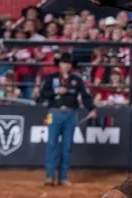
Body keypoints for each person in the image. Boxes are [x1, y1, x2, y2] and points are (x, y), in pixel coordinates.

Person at [38, 53, 96, 186]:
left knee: (67, 146)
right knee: (52, 143)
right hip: (54, 112)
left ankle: (63, 177)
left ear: (71, 66)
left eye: (68, 63)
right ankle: (50, 176)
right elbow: (42, 94)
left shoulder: (77, 80)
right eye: (64, 63)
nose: (66, 65)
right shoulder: (50, 78)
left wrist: (91, 109)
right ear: (59, 65)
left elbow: (85, 96)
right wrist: (55, 92)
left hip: (71, 113)